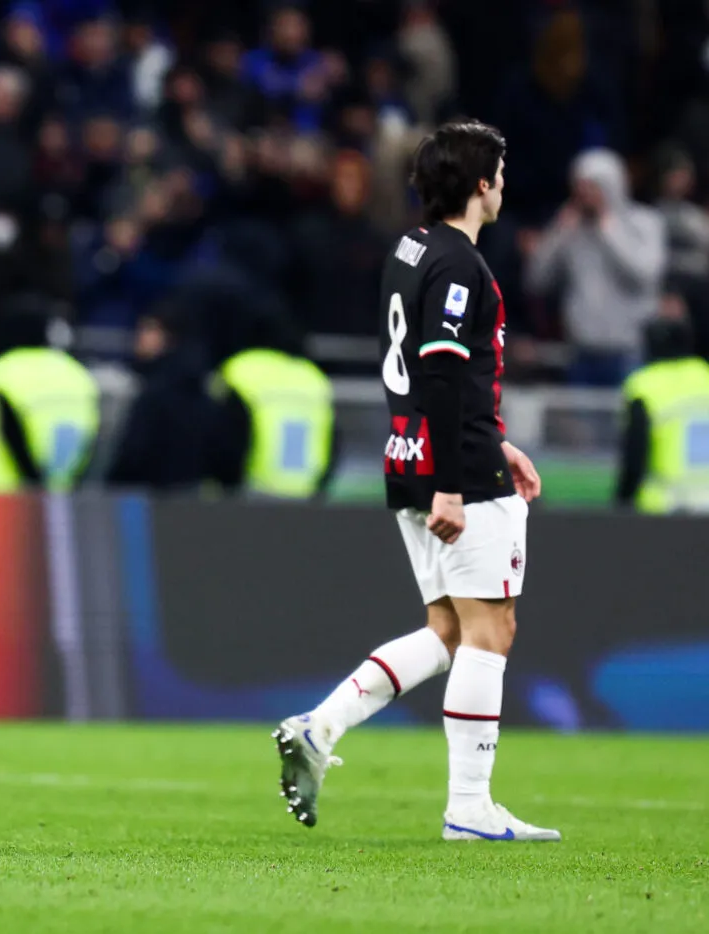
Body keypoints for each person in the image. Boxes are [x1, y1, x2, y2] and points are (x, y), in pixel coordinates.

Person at [273, 121, 560, 842]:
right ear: (481, 184)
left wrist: (495, 442)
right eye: (500, 172)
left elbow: (433, 372)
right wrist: (457, 480)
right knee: (491, 630)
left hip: (411, 455)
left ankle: (320, 726)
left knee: (449, 630)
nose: (505, 184)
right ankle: (469, 807)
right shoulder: (461, 264)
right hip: (454, 470)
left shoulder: (411, 248)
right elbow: (440, 370)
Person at [525, 148, 665, 387]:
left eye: (592, 187)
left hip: (629, 349)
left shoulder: (643, 222)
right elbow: (536, 280)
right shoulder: (571, 229)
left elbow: (645, 275)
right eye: (579, 187)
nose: (585, 194)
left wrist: (609, 230)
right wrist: (558, 233)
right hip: (582, 351)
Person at [211, 314, 337, 501]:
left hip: (245, 497)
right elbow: (332, 441)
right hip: (307, 497)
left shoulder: (239, 369)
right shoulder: (312, 376)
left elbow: (220, 438)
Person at [0, 305, 98, 493]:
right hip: (65, 494)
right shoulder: (77, 373)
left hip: (3, 494)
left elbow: (10, 432)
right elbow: (91, 435)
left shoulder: (1, 371)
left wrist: (35, 484)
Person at [105, 302, 215, 493]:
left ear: (170, 337)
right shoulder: (198, 385)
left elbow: (133, 454)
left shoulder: (157, 392)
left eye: (150, 329)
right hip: (192, 497)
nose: (140, 337)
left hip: (150, 497)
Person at [615, 303, 709, 513]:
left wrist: (621, 503)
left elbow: (635, 457)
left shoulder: (644, 385)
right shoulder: (705, 376)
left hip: (664, 509)